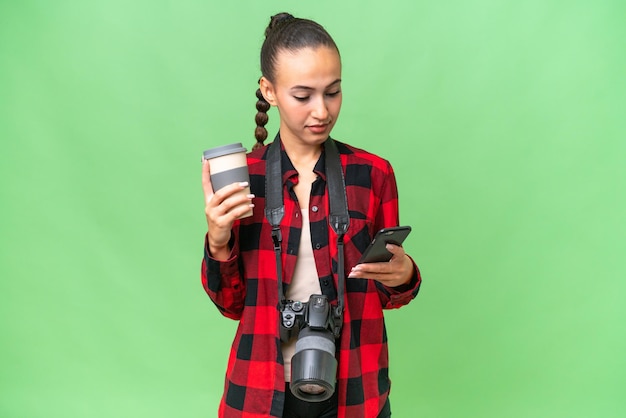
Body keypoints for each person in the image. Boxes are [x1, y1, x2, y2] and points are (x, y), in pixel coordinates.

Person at [201, 12, 421, 418]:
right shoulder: (243, 178)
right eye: (303, 96)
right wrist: (218, 240)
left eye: (333, 92)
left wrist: (404, 274)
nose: (321, 111)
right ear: (269, 90)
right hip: (261, 390)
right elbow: (232, 305)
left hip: (355, 389)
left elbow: (391, 294)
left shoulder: (373, 174)